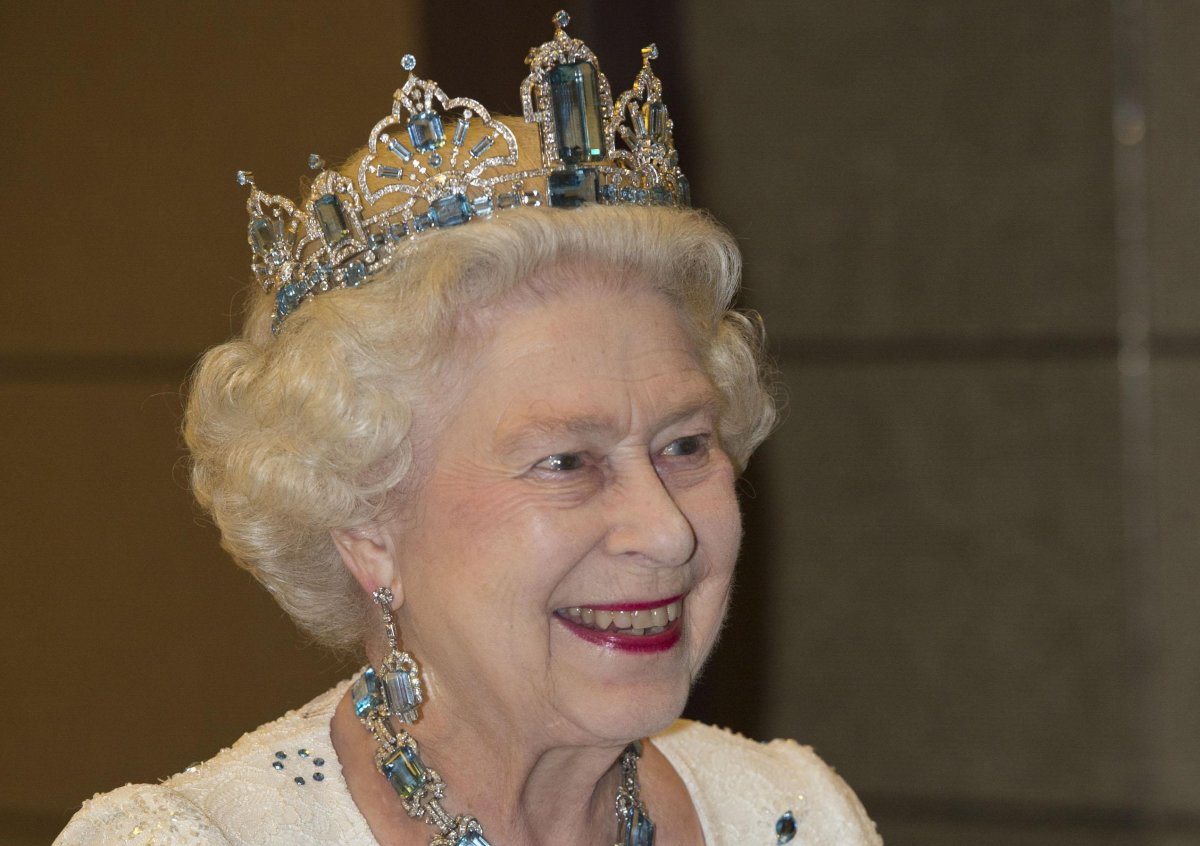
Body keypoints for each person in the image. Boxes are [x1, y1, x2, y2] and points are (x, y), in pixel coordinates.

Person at [56, 12, 881, 846]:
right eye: (566, 461)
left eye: (686, 446)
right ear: (366, 521)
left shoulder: (796, 814)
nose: (667, 532)